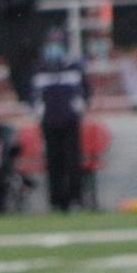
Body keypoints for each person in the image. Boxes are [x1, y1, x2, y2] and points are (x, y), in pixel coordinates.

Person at [32, 28, 91, 211]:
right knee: (54, 162)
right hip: (49, 122)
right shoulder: (40, 68)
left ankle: (76, 199)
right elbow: (34, 96)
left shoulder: (73, 67)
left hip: (70, 120)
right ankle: (57, 201)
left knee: (73, 162)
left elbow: (85, 92)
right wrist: (38, 111)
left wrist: (80, 106)